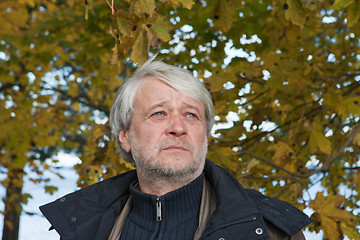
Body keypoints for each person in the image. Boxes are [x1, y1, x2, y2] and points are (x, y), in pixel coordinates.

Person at [40, 56, 312, 240]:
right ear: (125, 136)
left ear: (205, 135)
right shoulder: (85, 228)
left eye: (191, 115)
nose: (178, 127)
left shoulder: (268, 231)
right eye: (158, 113)